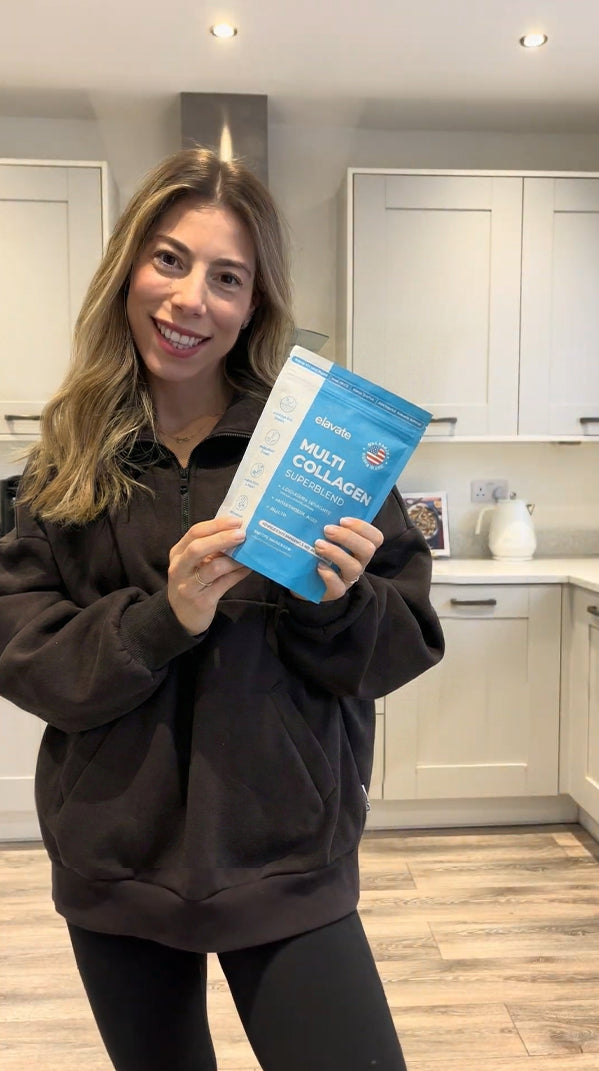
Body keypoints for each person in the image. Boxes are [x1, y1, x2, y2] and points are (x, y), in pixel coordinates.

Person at [0, 147, 444, 1071]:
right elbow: (30, 659)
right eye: (169, 259)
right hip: (117, 860)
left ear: (253, 306)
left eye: (226, 277)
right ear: (128, 267)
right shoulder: (63, 464)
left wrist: (336, 602)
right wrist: (163, 617)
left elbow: (403, 643)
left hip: (287, 854)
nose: (189, 299)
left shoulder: (325, 450)